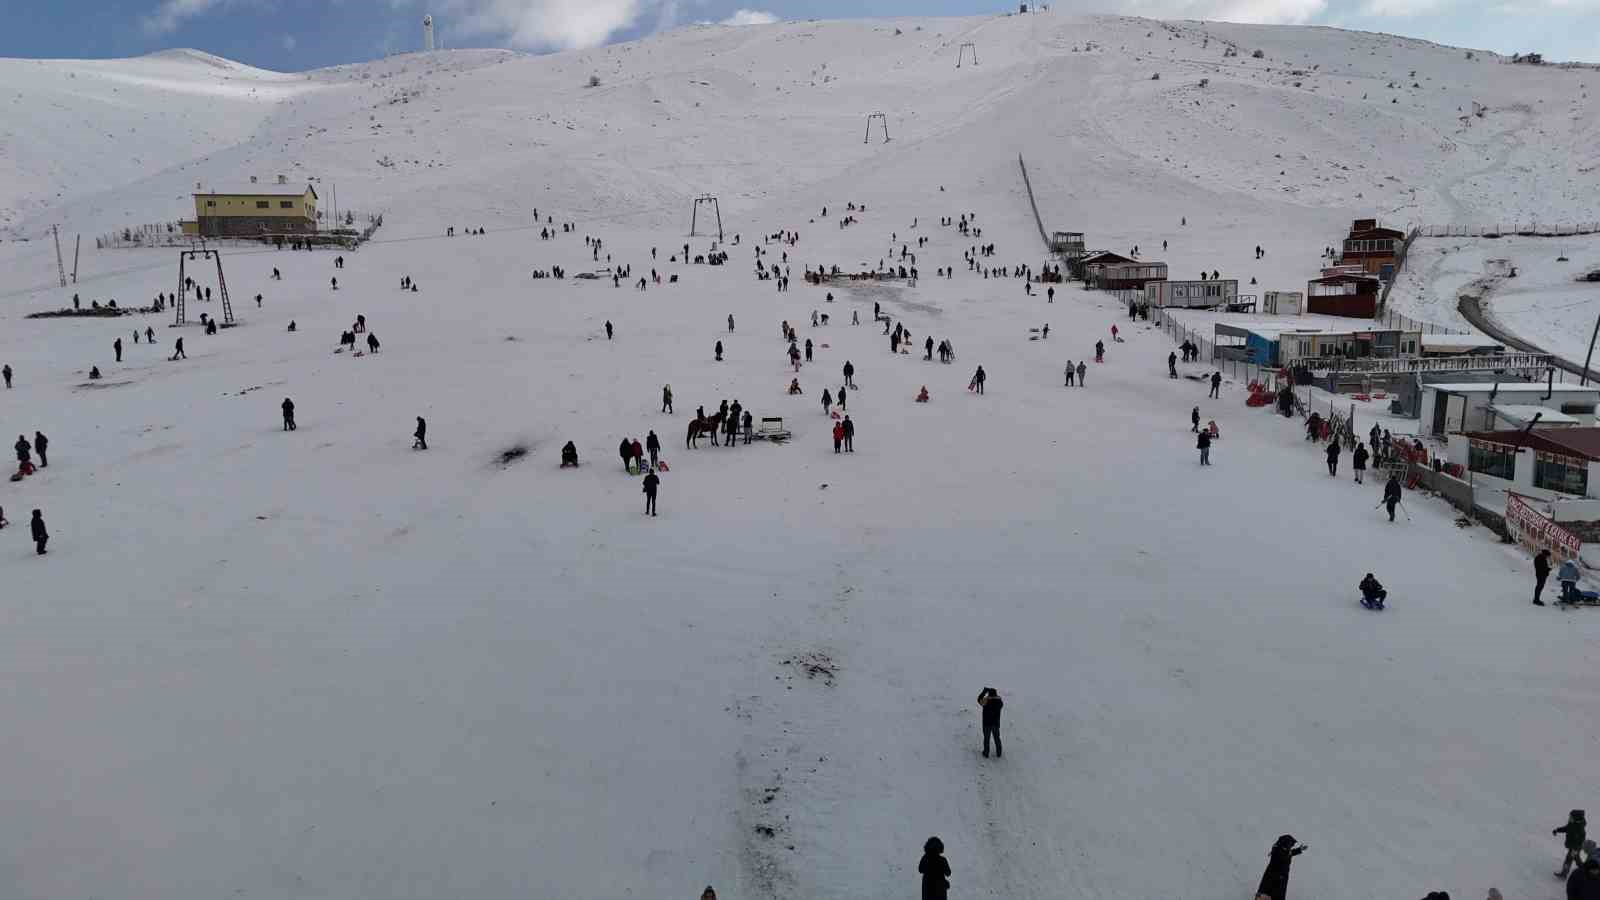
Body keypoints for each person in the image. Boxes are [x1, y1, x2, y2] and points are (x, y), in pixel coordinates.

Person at [1256, 835, 1306, 900]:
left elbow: (1290, 853)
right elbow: (1283, 856)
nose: (1292, 846)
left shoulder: (1283, 849)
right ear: (1286, 843)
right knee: (1270, 891)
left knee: (1276, 893)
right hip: (1275, 877)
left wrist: (1299, 849)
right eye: (1291, 845)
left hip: (1281, 876)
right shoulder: (1278, 851)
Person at [1556, 811, 1589, 877]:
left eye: (1571, 817)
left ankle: (1564, 873)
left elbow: (1581, 840)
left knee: (1569, 859)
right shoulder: (1572, 823)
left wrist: (1575, 849)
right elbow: (1566, 828)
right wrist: (1557, 830)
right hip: (1573, 847)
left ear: (1576, 818)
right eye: (1570, 817)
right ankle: (1585, 869)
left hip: (1575, 848)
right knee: (1576, 858)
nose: (1569, 818)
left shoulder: (1580, 829)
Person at [978, 687, 1003, 758]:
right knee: (997, 738)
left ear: (989, 694)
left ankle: (986, 753)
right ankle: (999, 753)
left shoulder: (986, 701)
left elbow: (979, 699)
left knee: (986, 739)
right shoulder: (1000, 702)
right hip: (996, 724)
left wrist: (984, 691)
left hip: (987, 724)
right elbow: (998, 699)